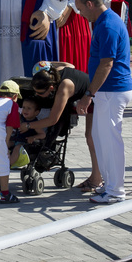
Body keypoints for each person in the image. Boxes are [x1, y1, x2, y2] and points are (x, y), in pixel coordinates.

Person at [74, 0, 132, 204]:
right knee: (101, 139)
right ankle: (109, 185)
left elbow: (106, 64)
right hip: (108, 91)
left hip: (113, 90)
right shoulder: (105, 21)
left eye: (80, 9)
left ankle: (116, 191)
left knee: (110, 142)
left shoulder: (108, 25)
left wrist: (88, 94)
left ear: (90, 4)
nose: (80, 14)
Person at [28, 61, 101, 191]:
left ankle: (97, 179)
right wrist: (49, 63)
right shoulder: (54, 73)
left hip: (96, 97)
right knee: (90, 137)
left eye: (40, 93)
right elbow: (70, 65)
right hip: (88, 95)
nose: (38, 95)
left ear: (51, 88)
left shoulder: (64, 87)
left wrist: (28, 125)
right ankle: (95, 177)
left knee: (91, 138)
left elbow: (52, 120)